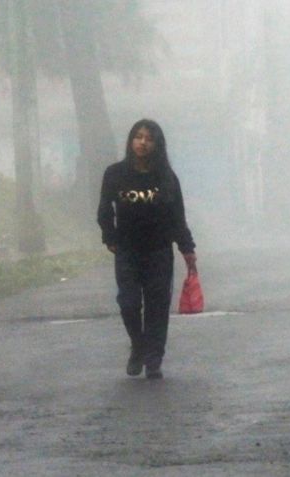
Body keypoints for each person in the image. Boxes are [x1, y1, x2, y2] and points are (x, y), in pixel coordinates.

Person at [97, 119, 197, 380]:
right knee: (128, 303)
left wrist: (187, 248)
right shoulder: (115, 174)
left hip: (159, 251)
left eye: (149, 138)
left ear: (157, 145)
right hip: (127, 251)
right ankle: (138, 345)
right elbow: (104, 209)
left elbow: (178, 216)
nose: (142, 142)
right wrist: (109, 235)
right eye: (138, 137)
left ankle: (154, 359)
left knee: (157, 306)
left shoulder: (166, 177)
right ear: (131, 140)